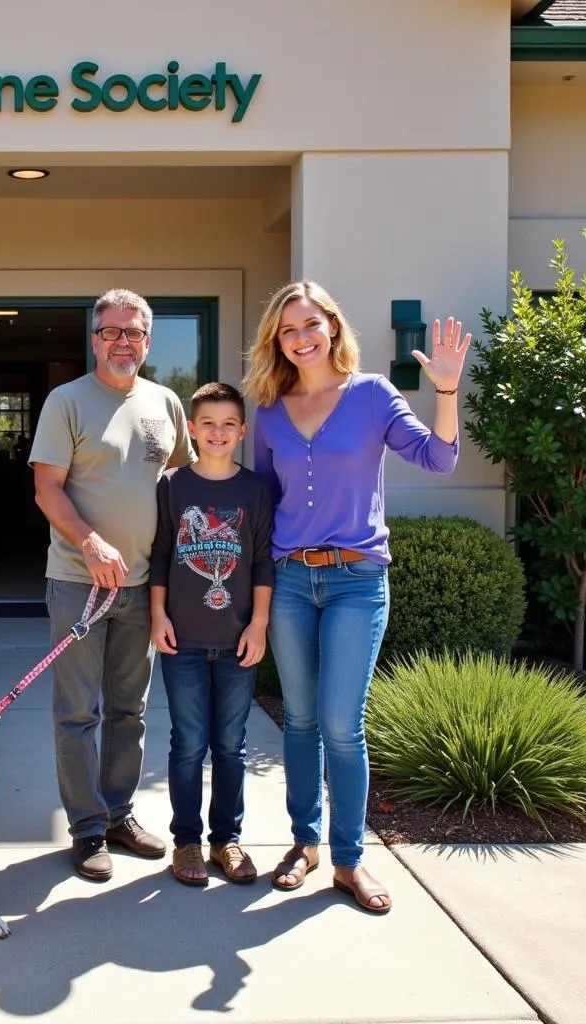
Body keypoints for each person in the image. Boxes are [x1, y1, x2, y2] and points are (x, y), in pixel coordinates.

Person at [242, 280, 469, 915]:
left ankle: (348, 861)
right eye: (288, 330)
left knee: (342, 725)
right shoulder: (267, 409)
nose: (301, 337)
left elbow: (440, 458)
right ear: (277, 341)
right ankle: (304, 843)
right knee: (301, 719)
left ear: (333, 327)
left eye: (311, 324)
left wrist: (447, 390)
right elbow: (260, 501)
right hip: (289, 579)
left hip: (356, 581)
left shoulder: (371, 395)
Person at [29, 287, 195, 881]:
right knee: (78, 712)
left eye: (134, 332)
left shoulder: (165, 402)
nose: (123, 341)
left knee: (130, 710)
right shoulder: (66, 402)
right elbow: (47, 488)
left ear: (147, 341)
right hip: (79, 582)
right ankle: (88, 828)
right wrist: (90, 541)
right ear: (95, 339)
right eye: (112, 332)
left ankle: (119, 813)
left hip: (145, 585)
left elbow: (182, 486)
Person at [149, 381, 273, 887]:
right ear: (191, 431)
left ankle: (227, 839)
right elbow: (159, 553)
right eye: (207, 424)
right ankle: (186, 843)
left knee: (231, 745)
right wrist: (158, 616)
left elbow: (264, 559)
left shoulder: (256, 490)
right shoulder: (172, 486)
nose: (217, 433)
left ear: (242, 431)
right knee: (187, 744)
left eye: (228, 425)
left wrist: (260, 624)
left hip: (239, 639)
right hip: (184, 640)